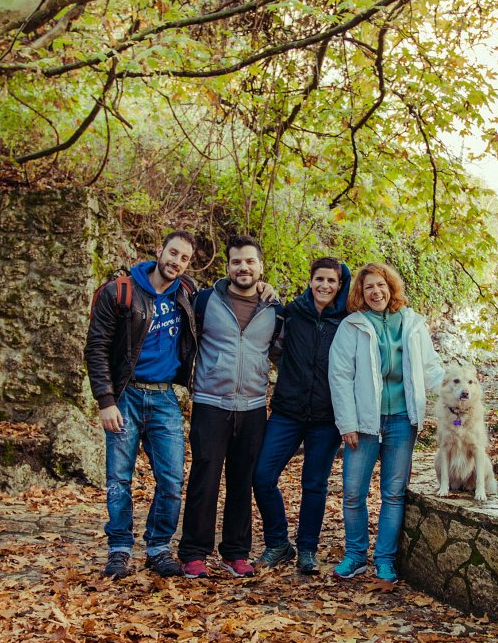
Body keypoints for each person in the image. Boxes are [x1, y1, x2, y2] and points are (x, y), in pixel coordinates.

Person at [83, 231, 199, 579]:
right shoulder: (120, 292)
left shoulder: (187, 293)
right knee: (119, 478)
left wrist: (264, 289)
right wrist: (106, 401)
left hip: (164, 398)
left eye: (184, 258)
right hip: (126, 396)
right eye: (173, 253)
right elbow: (96, 347)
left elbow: (228, 295)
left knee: (172, 480)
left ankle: (158, 547)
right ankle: (119, 548)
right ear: (159, 250)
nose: (176, 262)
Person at [327, 261, 443, 583]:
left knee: (393, 494)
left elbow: (431, 368)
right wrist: (347, 423)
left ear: (391, 288)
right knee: (353, 493)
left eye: (381, 285)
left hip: (403, 421)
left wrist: (457, 390)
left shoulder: (412, 323)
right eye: (369, 287)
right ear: (360, 293)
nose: (376, 292)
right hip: (364, 423)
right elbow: (339, 377)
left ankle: (385, 560)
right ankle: (355, 556)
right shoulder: (352, 326)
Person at [178, 234, 283, 578]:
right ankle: (194, 553)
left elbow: (281, 353)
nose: (243, 267)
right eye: (237, 261)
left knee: (243, 481)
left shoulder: (274, 309)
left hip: (253, 407)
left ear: (261, 266)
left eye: (250, 261)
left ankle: (236, 553)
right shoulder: (206, 301)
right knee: (204, 478)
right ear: (227, 267)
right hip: (211, 403)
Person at [252, 258, 350, 575]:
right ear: (310, 281)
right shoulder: (292, 313)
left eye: (331, 281)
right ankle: (278, 542)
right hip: (287, 412)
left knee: (315, 484)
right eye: (319, 279)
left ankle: (307, 548)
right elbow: (275, 350)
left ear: (340, 285)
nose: (324, 285)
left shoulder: (347, 321)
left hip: (326, 417)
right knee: (262, 476)